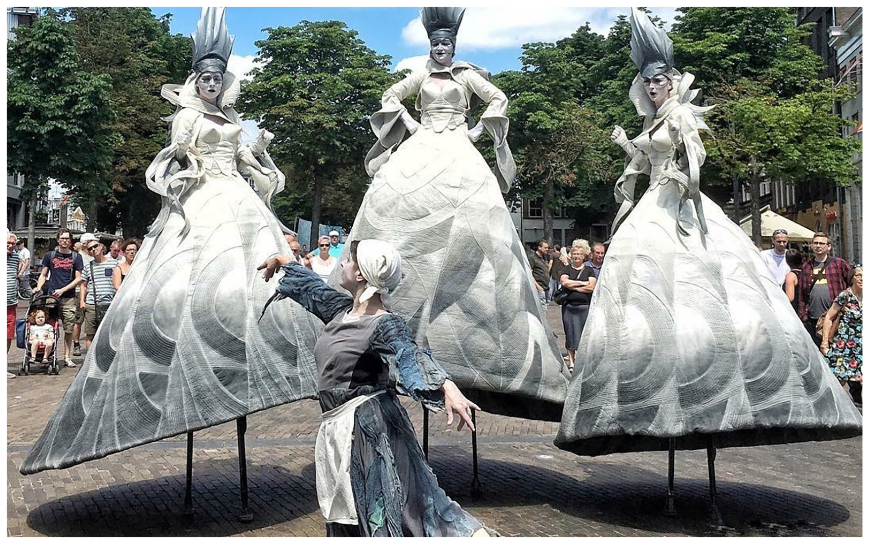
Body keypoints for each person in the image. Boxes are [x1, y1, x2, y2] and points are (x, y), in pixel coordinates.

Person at [20, 8, 320, 477]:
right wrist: (186, 162)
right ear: (195, 79)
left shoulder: (232, 116)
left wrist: (260, 157)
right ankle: (173, 371)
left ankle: (249, 361)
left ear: (224, 80)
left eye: (218, 79)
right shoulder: (186, 116)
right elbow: (178, 154)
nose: (211, 85)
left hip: (237, 198)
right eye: (205, 78)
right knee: (182, 279)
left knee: (248, 280)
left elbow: (243, 158)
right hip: (201, 196)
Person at [556, 9, 861, 458]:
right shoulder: (652, 122)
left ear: (672, 80)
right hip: (654, 204)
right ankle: (649, 383)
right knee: (641, 285)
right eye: (647, 83)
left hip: (679, 204)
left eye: (658, 81)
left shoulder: (679, 114)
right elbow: (643, 161)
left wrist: (687, 176)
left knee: (708, 287)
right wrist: (627, 145)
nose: (653, 87)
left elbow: (693, 160)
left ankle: (729, 381)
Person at [341, 7, 567, 421]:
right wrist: (412, 124)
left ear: (454, 46)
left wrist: (477, 130)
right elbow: (391, 96)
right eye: (435, 45)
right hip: (423, 142)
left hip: (459, 146)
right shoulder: (420, 74)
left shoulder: (466, 75)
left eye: (445, 44)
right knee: (393, 207)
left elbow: (498, 98)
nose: (440, 50)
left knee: (479, 219)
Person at [258, 239, 489, 537]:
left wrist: (446, 385)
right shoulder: (342, 310)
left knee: (379, 512)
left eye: (348, 260)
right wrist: (285, 262)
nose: (342, 263)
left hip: (367, 432)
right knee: (350, 516)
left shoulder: (384, 324)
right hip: (340, 428)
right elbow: (313, 288)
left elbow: (409, 353)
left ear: (360, 276)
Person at [34, 228, 83, 368]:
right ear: (58, 240)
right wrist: (39, 287)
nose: (65, 241)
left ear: (70, 240)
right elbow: (43, 274)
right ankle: (48, 355)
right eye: (62, 238)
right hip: (51, 297)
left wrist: (63, 290)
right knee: (49, 327)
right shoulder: (50, 255)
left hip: (69, 297)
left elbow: (78, 278)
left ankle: (67, 356)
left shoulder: (76, 257)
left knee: (69, 328)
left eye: (67, 238)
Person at [798, 231, 851, 348]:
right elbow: (802, 294)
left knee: (838, 350)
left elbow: (852, 285)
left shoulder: (839, 264)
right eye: (815, 243)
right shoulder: (806, 266)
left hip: (836, 317)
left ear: (829, 246)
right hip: (814, 319)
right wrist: (803, 316)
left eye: (822, 243)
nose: (818, 246)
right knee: (818, 351)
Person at [821, 266, 862, 404]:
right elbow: (829, 317)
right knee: (838, 380)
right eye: (858, 275)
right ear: (852, 278)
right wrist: (825, 341)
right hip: (844, 346)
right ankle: (830, 409)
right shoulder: (845, 295)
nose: (862, 278)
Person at [559, 240, 596, 372]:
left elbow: (592, 287)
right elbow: (564, 282)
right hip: (569, 307)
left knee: (584, 334)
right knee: (570, 333)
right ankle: (572, 362)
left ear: (584, 255)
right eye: (574, 254)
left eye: (579, 254)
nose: (576, 256)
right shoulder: (566, 269)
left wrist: (573, 285)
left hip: (584, 307)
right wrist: (582, 284)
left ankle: (581, 360)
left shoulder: (589, 270)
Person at [79, 242, 116, 350]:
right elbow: (83, 285)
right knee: (90, 334)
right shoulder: (88, 266)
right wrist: (82, 301)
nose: (93, 249)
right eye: (90, 248)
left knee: (108, 334)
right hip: (92, 304)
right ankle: (90, 361)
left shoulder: (114, 264)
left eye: (95, 246)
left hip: (110, 304)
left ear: (101, 247)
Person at [7, 232, 21, 378]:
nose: (10, 246)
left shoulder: (16, 257)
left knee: (8, 336)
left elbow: (18, 277)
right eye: (8, 243)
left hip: (11, 303)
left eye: (13, 244)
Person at [528, 239, 551, 311]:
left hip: (545, 288)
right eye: (545, 248)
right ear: (539, 247)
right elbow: (529, 273)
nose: (547, 249)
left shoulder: (544, 257)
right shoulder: (532, 257)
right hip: (538, 288)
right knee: (541, 310)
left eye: (547, 247)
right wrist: (538, 287)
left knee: (544, 309)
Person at [781, 248, 804, 315]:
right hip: (804, 308)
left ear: (787, 261)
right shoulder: (804, 273)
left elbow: (790, 298)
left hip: (794, 310)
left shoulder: (791, 276)